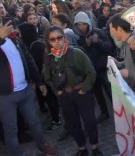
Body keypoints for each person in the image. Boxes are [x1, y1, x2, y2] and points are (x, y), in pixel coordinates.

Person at [42, 26, 103, 156]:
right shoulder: (49, 57)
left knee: (89, 121)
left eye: (59, 38)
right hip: (65, 96)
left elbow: (91, 72)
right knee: (72, 123)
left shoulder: (76, 53)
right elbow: (47, 77)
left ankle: (95, 146)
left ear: (64, 38)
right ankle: (82, 148)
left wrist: (84, 89)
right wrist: (56, 90)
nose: (56, 41)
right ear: (48, 42)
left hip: (81, 92)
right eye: (52, 39)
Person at [0, 20, 56, 156]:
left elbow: (28, 59)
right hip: (5, 95)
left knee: (35, 122)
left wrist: (39, 81)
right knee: (11, 129)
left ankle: (42, 145)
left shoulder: (15, 40)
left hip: (25, 90)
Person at [73, 11, 113, 121]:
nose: (81, 27)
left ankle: (120, 112)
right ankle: (104, 113)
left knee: (111, 93)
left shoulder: (98, 32)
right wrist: (86, 45)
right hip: (91, 72)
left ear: (87, 23)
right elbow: (80, 55)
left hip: (104, 69)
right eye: (78, 24)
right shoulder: (78, 39)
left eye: (83, 24)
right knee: (98, 94)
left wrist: (98, 42)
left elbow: (109, 47)